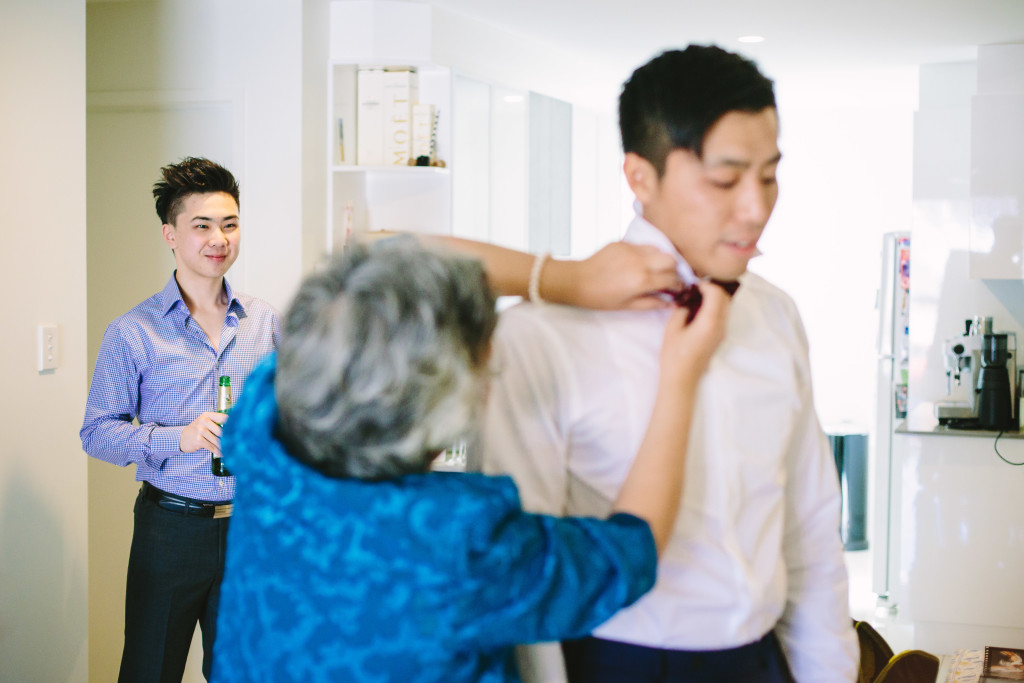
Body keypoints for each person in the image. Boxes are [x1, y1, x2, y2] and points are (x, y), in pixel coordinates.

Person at [477, 45, 860, 682]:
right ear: (640, 178)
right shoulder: (539, 337)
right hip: (616, 662)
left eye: (769, 175)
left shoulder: (775, 315)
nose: (757, 207)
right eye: (726, 178)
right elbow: (525, 564)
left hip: (765, 661)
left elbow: (811, 523)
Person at [209, 237, 730, 683]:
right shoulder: (456, 543)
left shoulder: (262, 425)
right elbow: (630, 551)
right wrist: (680, 378)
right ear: (438, 415)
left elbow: (383, 250)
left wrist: (569, 279)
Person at [80, 157, 281, 682]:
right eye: (202, 225)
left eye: (230, 224)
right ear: (170, 234)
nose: (219, 238)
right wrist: (180, 437)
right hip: (169, 529)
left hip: (250, 527)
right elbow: (97, 433)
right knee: (151, 670)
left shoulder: (264, 322)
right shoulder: (133, 332)